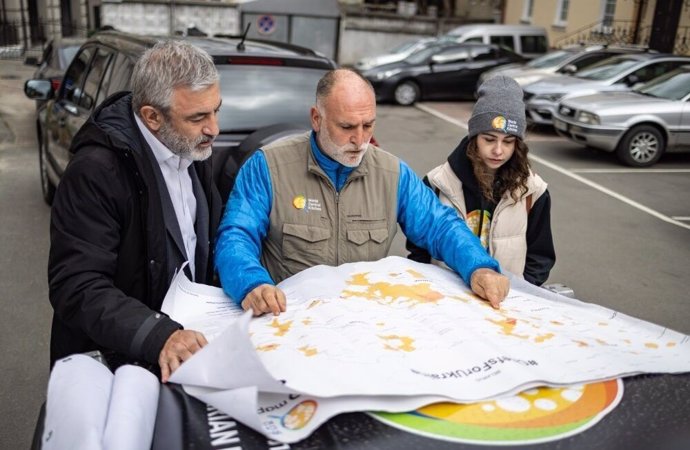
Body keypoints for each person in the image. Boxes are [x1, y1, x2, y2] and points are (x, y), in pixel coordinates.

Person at [215, 68, 509, 317]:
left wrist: (478, 266)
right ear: (316, 118)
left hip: (363, 322)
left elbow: (440, 226)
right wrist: (252, 284)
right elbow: (236, 235)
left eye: (368, 125)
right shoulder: (268, 166)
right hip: (290, 320)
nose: (359, 139)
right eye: (346, 127)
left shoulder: (393, 174)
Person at [48, 40, 223, 382]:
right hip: (114, 366)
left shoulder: (193, 148)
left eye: (217, 110)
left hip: (183, 354)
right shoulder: (96, 171)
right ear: (152, 117)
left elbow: (204, 243)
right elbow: (76, 284)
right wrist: (158, 335)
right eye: (199, 117)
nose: (213, 128)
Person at [407, 76, 555, 286]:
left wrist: (521, 294)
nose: (498, 150)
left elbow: (540, 258)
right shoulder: (437, 183)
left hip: (504, 304)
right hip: (446, 303)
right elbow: (418, 250)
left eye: (508, 142)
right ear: (474, 136)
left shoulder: (533, 191)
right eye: (489, 139)